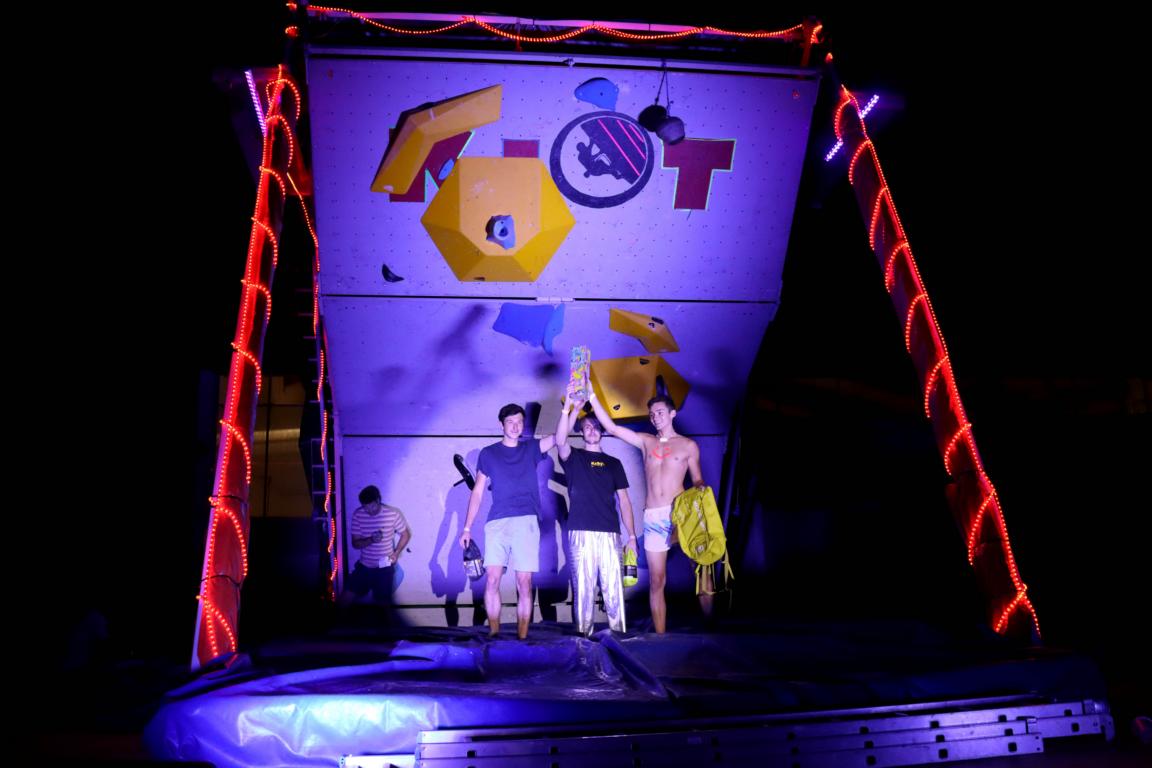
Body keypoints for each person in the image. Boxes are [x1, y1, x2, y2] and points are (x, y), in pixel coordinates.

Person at [588, 392, 705, 633]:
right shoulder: (645, 441)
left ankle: (712, 630)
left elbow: (697, 479)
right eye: (652, 414)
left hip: (682, 514)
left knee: (702, 572)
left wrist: (703, 496)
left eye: (660, 412)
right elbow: (610, 426)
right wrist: (591, 394)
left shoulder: (688, 445)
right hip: (654, 516)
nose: (656, 417)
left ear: (672, 414)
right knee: (657, 580)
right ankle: (660, 637)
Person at [460, 404, 557, 639]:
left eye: (520, 422)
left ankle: (523, 637)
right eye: (510, 422)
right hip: (497, 523)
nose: (515, 426)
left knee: (524, 582)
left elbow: (558, 437)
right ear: (501, 424)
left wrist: (569, 410)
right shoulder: (489, 453)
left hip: (526, 521)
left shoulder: (531, 449)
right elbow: (478, 492)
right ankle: (494, 634)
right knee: (492, 580)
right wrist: (467, 528)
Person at [555, 394, 637, 636]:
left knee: (614, 590)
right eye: (587, 427)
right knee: (584, 589)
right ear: (581, 432)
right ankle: (584, 639)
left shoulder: (614, 463)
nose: (592, 430)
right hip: (580, 532)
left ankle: (619, 636)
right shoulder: (574, 458)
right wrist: (571, 408)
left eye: (596, 427)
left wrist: (631, 536)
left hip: (610, 533)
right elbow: (560, 438)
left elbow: (624, 501)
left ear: (602, 432)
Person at [341, 485, 410, 615]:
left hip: (384, 568)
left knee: (383, 607)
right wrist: (371, 540)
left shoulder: (392, 514)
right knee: (345, 597)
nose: (369, 510)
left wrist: (396, 552)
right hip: (364, 566)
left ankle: (386, 633)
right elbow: (355, 544)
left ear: (378, 500)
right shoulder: (358, 515)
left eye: (372, 506)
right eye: (365, 507)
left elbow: (405, 534)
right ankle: (332, 629)